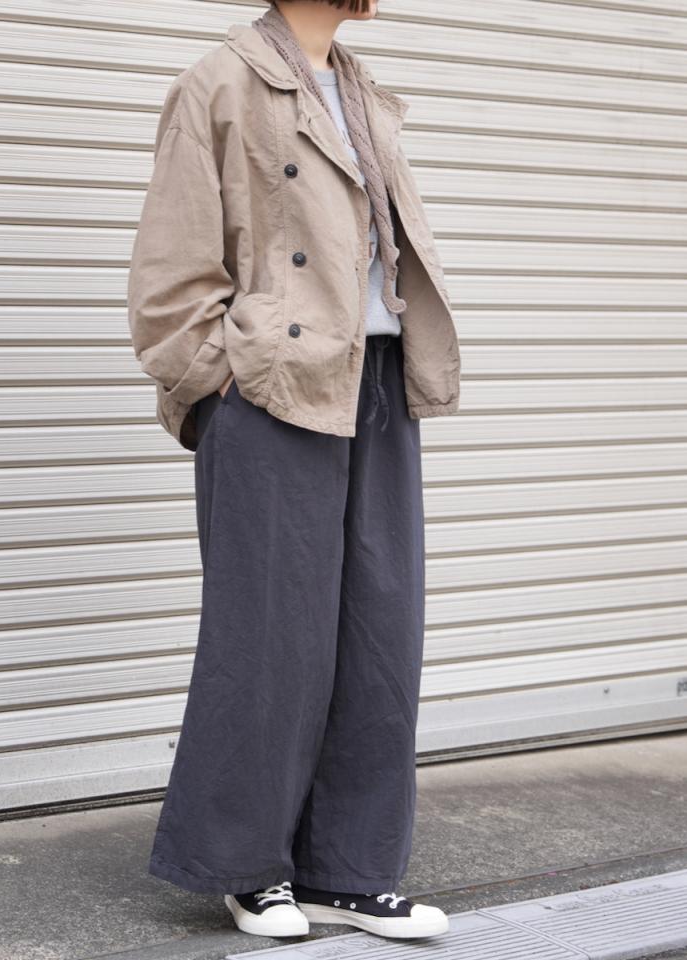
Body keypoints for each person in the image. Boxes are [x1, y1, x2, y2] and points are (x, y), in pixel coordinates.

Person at [127, 0, 461, 941]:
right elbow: (171, 266)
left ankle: (347, 870)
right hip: (272, 386)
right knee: (269, 633)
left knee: (379, 631)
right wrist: (222, 376)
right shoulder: (220, 82)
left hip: (375, 377)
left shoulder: (358, 89)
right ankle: (248, 866)